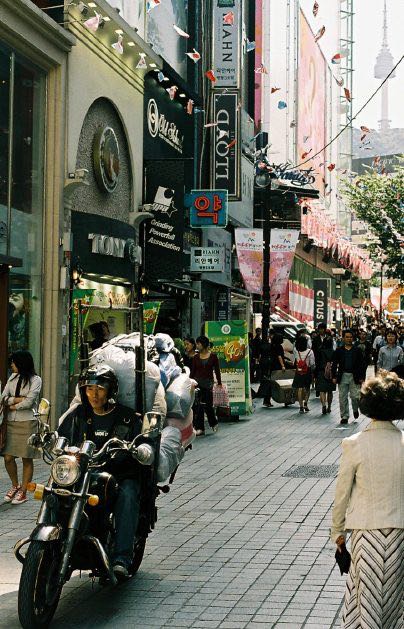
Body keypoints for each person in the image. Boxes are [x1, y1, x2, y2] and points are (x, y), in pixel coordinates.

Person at [331, 371, 404, 629]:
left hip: (366, 536)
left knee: (365, 605)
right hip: (399, 536)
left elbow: (341, 496)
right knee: (396, 605)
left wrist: (338, 534)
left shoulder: (354, 444)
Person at [58, 365, 142, 580]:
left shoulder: (127, 417)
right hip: (82, 474)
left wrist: (136, 448)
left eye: (100, 389)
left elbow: (139, 443)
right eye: (89, 389)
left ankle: (121, 557)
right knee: (54, 490)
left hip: (119, 474)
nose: (94, 395)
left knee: (128, 495)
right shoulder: (78, 415)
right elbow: (61, 437)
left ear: (111, 390)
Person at [1, 351, 42, 505]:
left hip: (28, 422)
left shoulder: (35, 380)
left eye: (13, 362)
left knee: (26, 457)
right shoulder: (12, 378)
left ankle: (23, 491)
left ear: (22, 363)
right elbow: (3, 398)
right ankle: (15, 485)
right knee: (8, 457)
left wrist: (13, 405)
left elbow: (30, 402)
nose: (11, 365)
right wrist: (17, 400)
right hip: (11, 422)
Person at [332, 329, 367, 426]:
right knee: (342, 397)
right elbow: (334, 364)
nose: (349, 339)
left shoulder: (357, 350)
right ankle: (344, 416)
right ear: (343, 338)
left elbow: (362, 365)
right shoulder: (339, 351)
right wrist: (334, 376)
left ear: (353, 338)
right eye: (347, 337)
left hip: (354, 376)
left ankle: (355, 409)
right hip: (342, 375)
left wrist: (362, 377)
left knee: (355, 396)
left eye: (350, 337)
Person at [190, 335, 222, 435]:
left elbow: (217, 371)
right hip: (197, 383)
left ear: (203, 344)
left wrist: (219, 383)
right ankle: (200, 428)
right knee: (199, 405)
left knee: (208, 405)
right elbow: (193, 372)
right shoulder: (195, 357)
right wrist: (189, 382)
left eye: (198, 344)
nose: (197, 346)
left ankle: (213, 422)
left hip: (208, 384)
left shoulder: (213, 356)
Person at [292, 336, 315, 413]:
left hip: (298, 371)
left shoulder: (296, 350)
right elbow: (312, 363)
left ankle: (301, 407)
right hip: (307, 371)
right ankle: (305, 404)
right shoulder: (310, 351)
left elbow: (294, 361)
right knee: (307, 388)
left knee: (299, 388)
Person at [263, 333, 286, 408]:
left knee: (271, 383)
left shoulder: (272, 345)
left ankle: (266, 400)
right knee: (282, 383)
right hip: (277, 367)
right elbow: (279, 356)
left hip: (272, 366)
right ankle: (286, 399)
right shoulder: (279, 346)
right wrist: (283, 366)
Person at [315, 336, 336, 414]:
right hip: (331, 372)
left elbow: (317, 362)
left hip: (321, 371)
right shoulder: (334, 352)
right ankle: (329, 407)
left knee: (322, 390)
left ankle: (323, 405)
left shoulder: (320, 351)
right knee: (330, 391)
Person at [312, 323, 327, 396]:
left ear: (325, 329)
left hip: (326, 360)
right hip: (317, 360)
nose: (320, 330)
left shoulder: (328, 338)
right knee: (317, 375)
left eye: (322, 329)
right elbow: (313, 350)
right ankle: (318, 389)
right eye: (319, 329)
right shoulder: (315, 339)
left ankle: (323, 388)